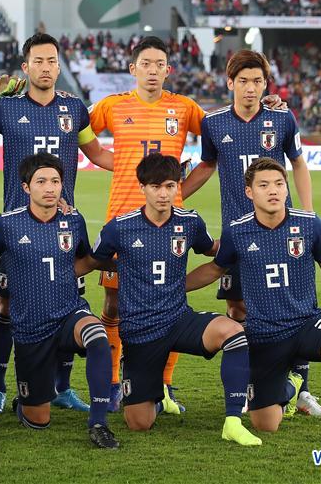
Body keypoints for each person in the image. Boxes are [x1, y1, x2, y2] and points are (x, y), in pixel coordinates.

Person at [186, 158, 321, 450]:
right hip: (263, 335)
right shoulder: (238, 232)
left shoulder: (310, 224)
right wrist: (175, 287)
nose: (273, 190)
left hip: (305, 324)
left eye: (278, 184)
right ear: (249, 192)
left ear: (286, 189)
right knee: (266, 424)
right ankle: (294, 382)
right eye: (263, 185)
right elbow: (214, 269)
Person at [0, 32, 113, 414]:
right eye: (38, 61)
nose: (46, 67)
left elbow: (96, 152)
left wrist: (140, 166)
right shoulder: (6, 109)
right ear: (26, 67)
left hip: (63, 230)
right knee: (5, 305)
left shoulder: (74, 108)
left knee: (66, 303)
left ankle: (62, 387)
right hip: (15, 230)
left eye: (52, 61)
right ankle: (0, 389)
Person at [77, 154, 261, 445]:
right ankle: (153, 394)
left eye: (170, 186)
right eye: (155, 186)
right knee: (140, 423)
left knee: (234, 333)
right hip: (140, 330)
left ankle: (233, 420)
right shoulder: (119, 227)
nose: (163, 194)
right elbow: (92, 260)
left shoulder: (189, 223)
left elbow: (211, 249)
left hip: (179, 319)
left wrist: (247, 244)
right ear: (142, 188)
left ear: (178, 187)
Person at [181, 49, 321, 417]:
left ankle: (300, 389)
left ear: (266, 84)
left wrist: (306, 213)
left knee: (295, 308)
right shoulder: (214, 124)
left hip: (283, 231)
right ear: (230, 83)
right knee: (238, 307)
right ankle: (257, 385)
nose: (250, 89)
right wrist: (171, 196)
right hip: (239, 234)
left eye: (257, 82)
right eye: (243, 81)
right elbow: (206, 166)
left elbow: (298, 163)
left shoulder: (280, 117)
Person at [0, 153, 119, 450]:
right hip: (30, 328)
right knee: (38, 421)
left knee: (97, 334)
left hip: (68, 314)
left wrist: (124, 265)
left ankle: (99, 423)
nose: (50, 188)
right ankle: (26, 402)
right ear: (26, 188)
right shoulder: (7, 224)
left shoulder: (74, 220)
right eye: (42, 181)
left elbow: (86, 260)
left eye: (56, 181)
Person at [86, 36, 206, 413]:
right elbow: (78, 133)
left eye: (160, 64)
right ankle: (110, 383)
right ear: (132, 68)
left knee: (171, 304)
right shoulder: (113, 107)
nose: (153, 70)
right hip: (123, 217)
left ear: (168, 70)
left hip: (171, 223)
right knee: (113, 301)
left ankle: (164, 385)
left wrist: (181, 188)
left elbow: (219, 144)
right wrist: (119, 163)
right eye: (146, 63)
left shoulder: (184, 109)